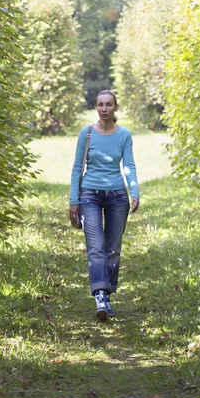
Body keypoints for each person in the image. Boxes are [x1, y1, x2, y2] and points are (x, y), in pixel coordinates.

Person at [69, 90, 140, 320]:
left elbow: (128, 165)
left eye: (109, 104)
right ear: (96, 107)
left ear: (116, 108)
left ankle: (107, 294)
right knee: (96, 247)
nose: (104, 109)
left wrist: (134, 192)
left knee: (113, 249)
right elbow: (77, 168)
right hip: (89, 194)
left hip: (117, 196)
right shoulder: (87, 134)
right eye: (100, 105)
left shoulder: (124, 135)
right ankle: (100, 295)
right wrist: (74, 201)